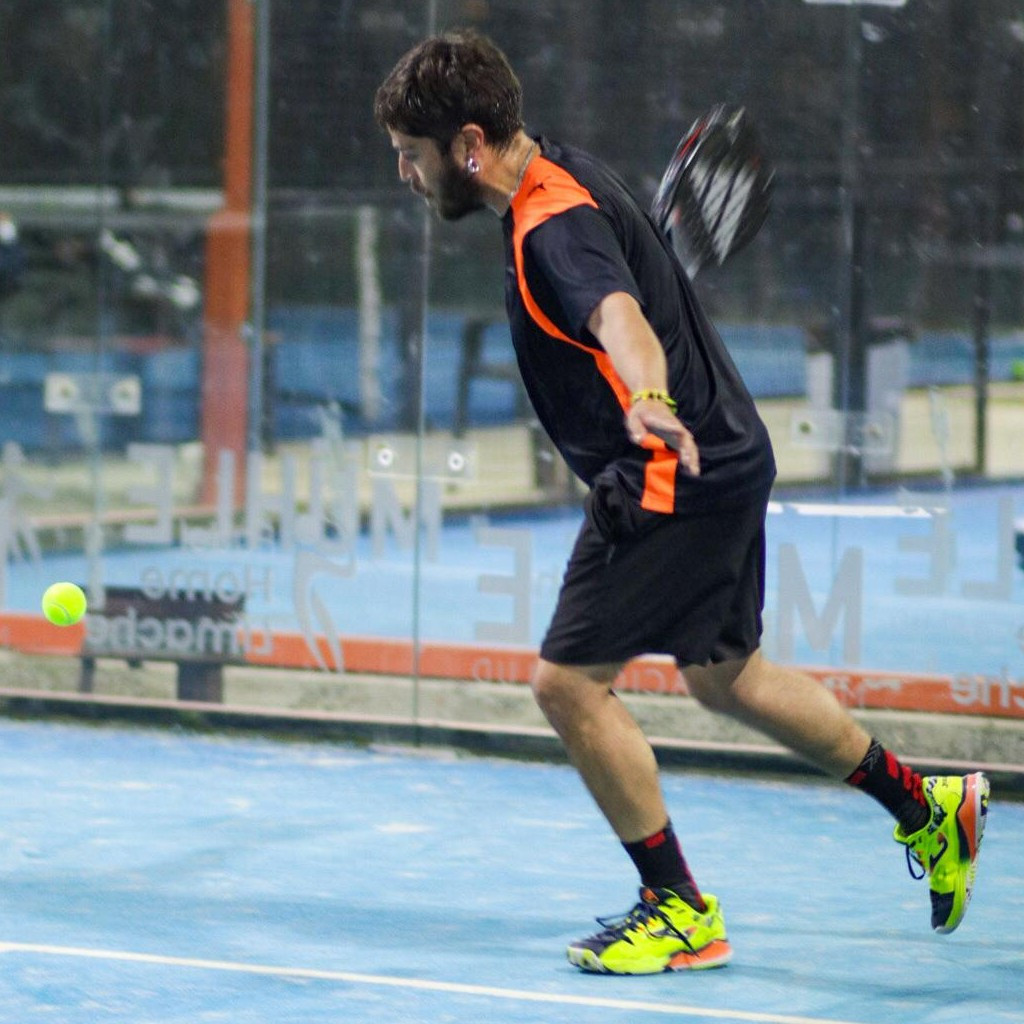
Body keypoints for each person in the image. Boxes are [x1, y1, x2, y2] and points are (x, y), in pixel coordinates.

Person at [373, 31, 989, 975]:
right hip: (730, 454)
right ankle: (926, 807)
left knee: (567, 686)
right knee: (726, 677)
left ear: (467, 145)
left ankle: (678, 909)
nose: (404, 175)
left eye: (411, 154)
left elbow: (618, 318)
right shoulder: (561, 173)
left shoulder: (551, 227)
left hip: (669, 471)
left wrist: (649, 397)